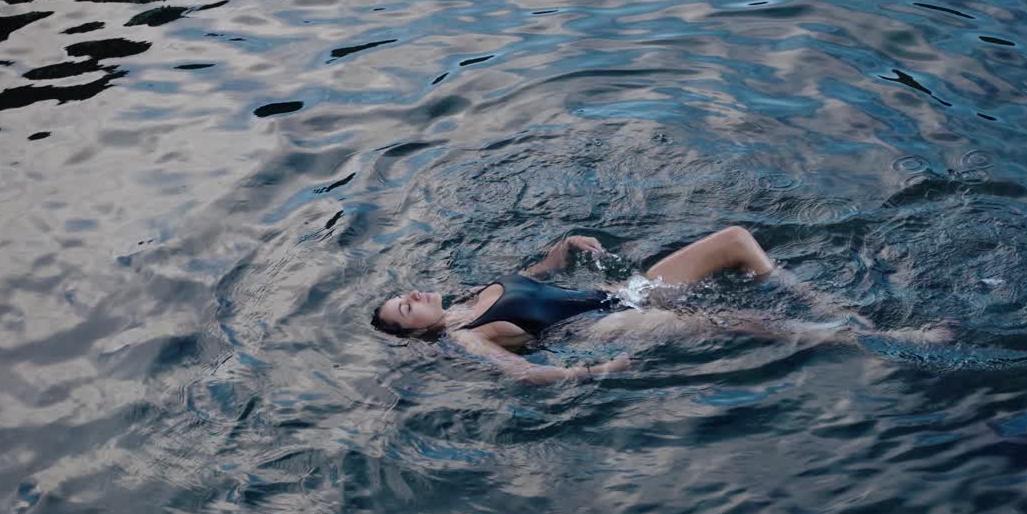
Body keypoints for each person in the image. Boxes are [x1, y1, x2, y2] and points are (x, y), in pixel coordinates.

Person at [372, 226, 948, 383]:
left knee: (735, 239)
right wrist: (599, 370)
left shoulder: (472, 294)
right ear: (416, 333)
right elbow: (523, 374)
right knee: (730, 320)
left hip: (620, 294)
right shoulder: (467, 335)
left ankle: (817, 300)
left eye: (404, 294)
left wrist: (568, 246)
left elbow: (540, 276)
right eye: (405, 309)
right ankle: (882, 341)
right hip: (601, 328)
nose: (413, 297)